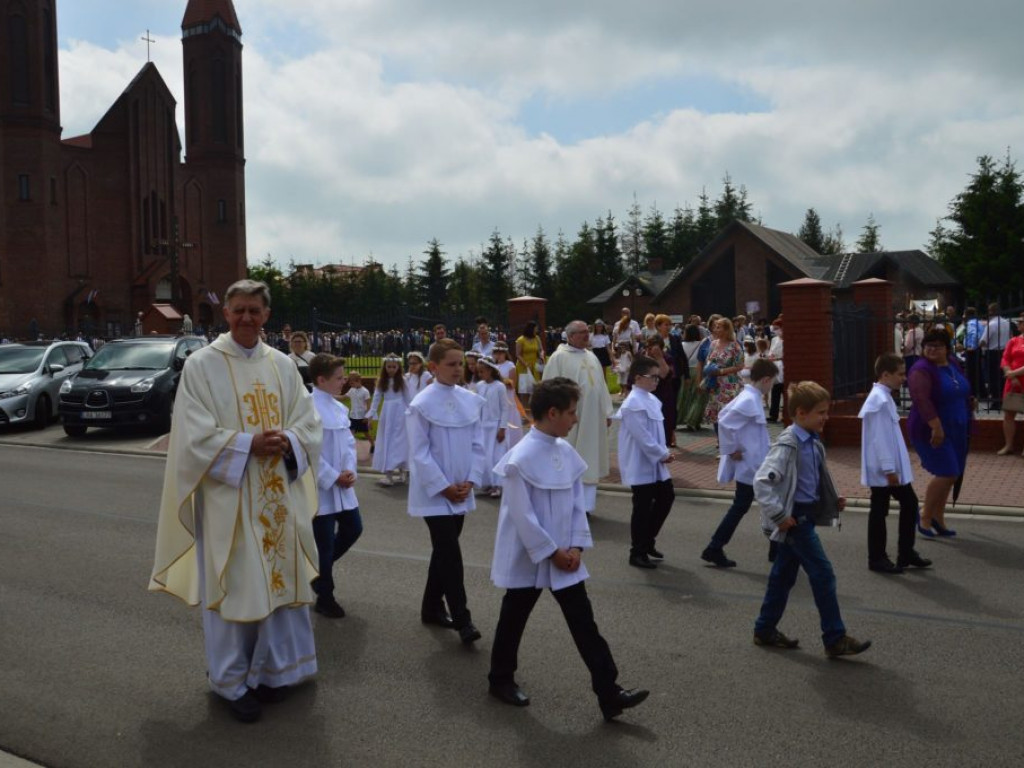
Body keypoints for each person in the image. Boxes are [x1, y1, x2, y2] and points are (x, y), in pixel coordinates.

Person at [149, 279, 321, 723]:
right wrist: (247, 444)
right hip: (229, 499)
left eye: (255, 310)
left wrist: (289, 441)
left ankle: (268, 672)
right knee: (234, 591)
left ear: (266, 316)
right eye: (239, 310)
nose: (247, 317)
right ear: (225, 314)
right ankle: (229, 681)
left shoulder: (282, 365)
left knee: (276, 588)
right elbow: (191, 433)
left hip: (276, 498)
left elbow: (309, 421)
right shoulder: (202, 365)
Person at [487, 377, 650, 721]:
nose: (576, 419)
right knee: (513, 618)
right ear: (552, 412)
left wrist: (575, 545)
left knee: (584, 624)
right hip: (532, 556)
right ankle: (500, 679)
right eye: (572, 413)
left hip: (566, 556)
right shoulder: (520, 458)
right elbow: (522, 515)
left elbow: (578, 504)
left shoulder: (566, 452)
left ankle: (610, 693)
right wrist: (551, 552)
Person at [752, 381, 871, 658]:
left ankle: (764, 628)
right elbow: (762, 483)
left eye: (826, 412)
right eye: (821, 412)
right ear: (801, 413)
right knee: (823, 574)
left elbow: (814, 480)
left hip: (802, 517)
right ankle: (835, 637)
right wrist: (780, 516)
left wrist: (833, 499)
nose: (825, 417)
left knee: (782, 577)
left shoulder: (813, 443)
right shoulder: (788, 445)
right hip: (795, 522)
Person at [406, 338, 487, 645]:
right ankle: (463, 619)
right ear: (433, 367)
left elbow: (478, 445)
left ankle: (431, 607)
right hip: (435, 493)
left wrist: (471, 480)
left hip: (462, 489)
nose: (458, 369)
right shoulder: (421, 404)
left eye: (460, 363)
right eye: (451, 364)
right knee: (451, 554)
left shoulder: (470, 399)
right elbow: (420, 452)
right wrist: (443, 486)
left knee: (443, 551)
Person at [701, 358, 778, 568]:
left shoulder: (750, 397)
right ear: (765, 379)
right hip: (751, 464)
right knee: (762, 503)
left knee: (755, 504)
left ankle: (716, 547)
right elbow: (725, 422)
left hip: (754, 462)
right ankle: (715, 547)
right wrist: (731, 449)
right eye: (772, 382)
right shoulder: (749, 399)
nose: (772, 386)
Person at [859, 353, 932, 574]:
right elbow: (879, 439)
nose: (904, 378)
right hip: (885, 470)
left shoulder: (884, 396)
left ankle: (902, 553)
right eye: (900, 374)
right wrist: (889, 469)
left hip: (888, 469)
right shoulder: (879, 400)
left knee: (894, 507)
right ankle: (881, 557)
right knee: (891, 508)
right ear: (885, 374)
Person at [309, 354, 363, 617]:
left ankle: (317, 573)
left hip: (343, 486)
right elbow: (308, 451)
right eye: (339, 378)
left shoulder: (339, 408)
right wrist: (332, 476)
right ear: (321, 379)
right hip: (322, 488)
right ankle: (325, 595)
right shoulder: (308, 408)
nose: (344, 382)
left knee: (354, 528)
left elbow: (349, 445)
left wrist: (350, 471)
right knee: (325, 543)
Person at [542, 320, 614, 514]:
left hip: (593, 418)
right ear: (571, 336)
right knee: (570, 458)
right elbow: (548, 388)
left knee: (589, 458)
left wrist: (607, 411)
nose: (586, 335)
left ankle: (586, 506)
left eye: (587, 332)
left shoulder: (591, 356)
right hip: (570, 419)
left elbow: (601, 385)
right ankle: (567, 504)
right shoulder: (559, 357)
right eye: (582, 332)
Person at [908, 328, 971, 538]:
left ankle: (938, 517)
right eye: (928, 346)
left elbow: (961, 388)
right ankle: (925, 514)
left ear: (947, 348)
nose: (932, 349)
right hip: (932, 429)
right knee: (948, 472)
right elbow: (921, 399)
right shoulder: (921, 370)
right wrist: (936, 426)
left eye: (937, 346)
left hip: (957, 428)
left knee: (953, 474)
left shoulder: (953, 364)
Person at [615, 355, 675, 569]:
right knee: (642, 507)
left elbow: (656, 433)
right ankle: (637, 551)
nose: (657, 381)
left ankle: (647, 541)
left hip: (656, 461)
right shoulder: (633, 403)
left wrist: (663, 451)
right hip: (641, 462)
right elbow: (642, 436)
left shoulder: (650, 399)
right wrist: (662, 454)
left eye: (658, 378)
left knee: (666, 498)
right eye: (653, 377)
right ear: (638, 378)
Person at [370, 355, 409, 486]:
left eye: (394, 367)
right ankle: (389, 474)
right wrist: (371, 412)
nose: (391, 369)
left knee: (400, 441)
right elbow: (376, 397)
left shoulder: (403, 380)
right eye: (388, 367)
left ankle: (403, 471)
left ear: (398, 367)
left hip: (400, 412)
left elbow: (408, 398)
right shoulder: (382, 381)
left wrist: (412, 413)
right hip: (387, 412)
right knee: (388, 439)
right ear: (384, 367)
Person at [703, 317, 745, 432]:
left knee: (727, 413)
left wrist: (721, 371)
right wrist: (709, 368)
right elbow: (708, 359)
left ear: (727, 330)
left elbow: (740, 365)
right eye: (715, 327)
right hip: (714, 384)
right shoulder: (713, 344)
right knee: (716, 411)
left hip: (729, 385)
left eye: (718, 327)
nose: (715, 329)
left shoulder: (734, 346)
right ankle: (720, 439)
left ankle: (730, 439)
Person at [476, 356, 510, 498]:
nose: (480, 374)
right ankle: (488, 483)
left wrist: (502, 428)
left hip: (496, 427)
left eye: (482, 371)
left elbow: (505, 408)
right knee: (485, 456)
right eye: (479, 372)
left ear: (491, 370)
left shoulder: (499, 386)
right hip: (483, 426)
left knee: (496, 456)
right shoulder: (479, 386)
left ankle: (498, 485)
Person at [997, 330, 1024, 455]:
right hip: (1012, 382)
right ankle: (1008, 445)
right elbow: (1005, 359)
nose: (1020, 324)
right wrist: (1011, 376)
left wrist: (1014, 373)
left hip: (1016, 376)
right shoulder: (1013, 341)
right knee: (1008, 414)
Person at [980, 303, 1012, 409]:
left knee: (993, 378)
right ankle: (1003, 399)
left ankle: (995, 402)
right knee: (1002, 377)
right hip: (1004, 351)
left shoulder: (992, 324)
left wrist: (979, 345)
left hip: (992, 352)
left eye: (989, 311)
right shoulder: (1006, 323)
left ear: (992, 312)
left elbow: (983, 341)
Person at [514, 321, 545, 405]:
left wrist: (541, 356)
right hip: (523, 366)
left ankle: (533, 408)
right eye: (536, 328)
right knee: (524, 389)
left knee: (535, 387)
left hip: (534, 365)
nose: (537, 329)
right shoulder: (521, 340)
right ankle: (524, 409)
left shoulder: (537, 338)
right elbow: (518, 354)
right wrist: (525, 364)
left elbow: (541, 349)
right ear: (531, 329)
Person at [344, 371, 371, 441]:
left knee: (366, 433)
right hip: (353, 416)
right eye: (350, 382)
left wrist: (367, 416)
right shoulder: (351, 390)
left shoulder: (365, 391)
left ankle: (373, 445)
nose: (350, 384)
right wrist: (332, 396)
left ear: (358, 381)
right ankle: (349, 448)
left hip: (362, 416)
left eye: (352, 383)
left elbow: (368, 405)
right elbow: (344, 397)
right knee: (351, 432)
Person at [767, 320, 784, 422]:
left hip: (783, 367)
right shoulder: (774, 339)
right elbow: (770, 352)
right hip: (774, 367)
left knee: (784, 391)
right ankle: (773, 415)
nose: (776, 331)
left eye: (777, 328)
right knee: (775, 392)